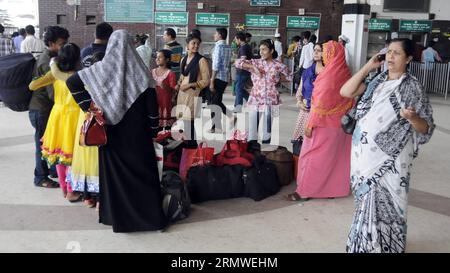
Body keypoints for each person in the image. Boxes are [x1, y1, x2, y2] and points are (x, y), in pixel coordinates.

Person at [66, 29, 168, 233]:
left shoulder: (101, 69)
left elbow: (72, 83)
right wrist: (153, 131)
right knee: (144, 176)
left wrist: (91, 108)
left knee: (115, 178)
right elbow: (152, 108)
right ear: (131, 46)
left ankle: (116, 218)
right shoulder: (141, 72)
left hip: (111, 134)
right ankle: (149, 219)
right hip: (138, 136)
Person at [341, 38, 435, 253]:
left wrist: (411, 118)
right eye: (388, 52)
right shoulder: (376, 80)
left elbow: (425, 128)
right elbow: (345, 92)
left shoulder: (412, 87)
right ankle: (364, 245)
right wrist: (367, 67)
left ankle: (390, 246)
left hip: (393, 159)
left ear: (409, 58)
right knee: (364, 202)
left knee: (392, 201)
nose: (390, 56)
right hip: (363, 155)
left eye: (397, 53)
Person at [286, 40, 353, 202]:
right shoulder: (345, 72)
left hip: (322, 124)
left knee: (311, 157)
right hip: (341, 126)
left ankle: (305, 191)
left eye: (325, 51)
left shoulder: (328, 75)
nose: (323, 54)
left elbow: (320, 103)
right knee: (335, 158)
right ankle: (332, 189)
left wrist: (310, 124)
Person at [29, 43, 82, 203]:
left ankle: (65, 190)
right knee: (72, 157)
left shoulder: (55, 75)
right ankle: (72, 191)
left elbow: (32, 85)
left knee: (60, 155)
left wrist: (53, 70)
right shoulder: (79, 75)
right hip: (74, 117)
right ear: (77, 59)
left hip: (57, 116)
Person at [28, 26, 70, 188]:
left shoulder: (53, 58)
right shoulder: (47, 62)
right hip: (41, 109)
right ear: (51, 43)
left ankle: (53, 170)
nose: (64, 46)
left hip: (43, 109)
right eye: (62, 43)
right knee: (42, 145)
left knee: (49, 142)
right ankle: (40, 177)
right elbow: (54, 92)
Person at [235, 39, 292, 144]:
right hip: (255, 98)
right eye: (260, 49)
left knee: (267, 131)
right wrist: (253, 67)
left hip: (272, 100)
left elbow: (290, 76)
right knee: (252, 129)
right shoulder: (255, 62)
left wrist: (278, 80)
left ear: (271, 51)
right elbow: (237, 62)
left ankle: (266, 153)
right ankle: (253, 152)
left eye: (264, 49)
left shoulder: (278, 65)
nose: (261, 52)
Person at [67, 51, 104, 209]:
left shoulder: (85, 79)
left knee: (84, 158)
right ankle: (100, 199)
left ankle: (88, 197)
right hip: (99, 123)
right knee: (98, 160)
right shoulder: (106, 80)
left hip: (84, 122)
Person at [175, 34, 210, 142]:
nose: (196, 46)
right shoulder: (183, 59)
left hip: (194, 95)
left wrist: (190, 85)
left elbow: (206, 81)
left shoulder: (201, 60)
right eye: (193, 43)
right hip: (182, 94)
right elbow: (183, 75)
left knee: (189, 123)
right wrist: (178, 84)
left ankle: (192, 148)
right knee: (183, 123)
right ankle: (187, 148)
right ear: (187, 45)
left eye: (198, 44)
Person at [291, 42, 324, 151]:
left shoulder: (329, 73)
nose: (315, 52)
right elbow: (300, 92)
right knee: (300, 146)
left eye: (319, 50)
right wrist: (300, 102)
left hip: (321, 115)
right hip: (305, 113)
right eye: (315, 50)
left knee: (316, 147)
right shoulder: (307, 71)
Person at [208, 27, 232, 133]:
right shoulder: (227, 46)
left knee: (214, 103)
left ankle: (216, 127)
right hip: (225, 78)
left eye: (215, 34)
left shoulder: (218, 47)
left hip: (218, 78)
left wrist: (212, 80)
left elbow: (216, 65)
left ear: (220, 35)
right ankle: (219, 124)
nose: (214, 35)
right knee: (216, 102)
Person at [152, 49, 177, 131]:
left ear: (167, 59)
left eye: (160, 57)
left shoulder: (170, 73)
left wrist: (165, 86)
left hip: (166, 104)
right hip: (154, 103)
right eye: (156, 57)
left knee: (165, 130)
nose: (157, 59)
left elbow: (173, 91)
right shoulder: (152, 72)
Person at [234, 31, 252, 112]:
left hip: (242, 72)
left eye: (235, 39)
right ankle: (251, 100)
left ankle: (238, 107)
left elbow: (243, 59)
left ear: (239, 39)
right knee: (239, 89)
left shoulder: (243, 47)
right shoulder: (247, 46)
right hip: (244, 72)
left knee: (238, 89)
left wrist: (236, 61)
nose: (235, 41)